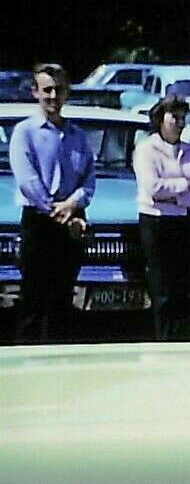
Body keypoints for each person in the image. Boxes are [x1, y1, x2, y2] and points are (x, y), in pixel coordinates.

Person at [9, 63, 95, 343]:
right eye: (47, 90)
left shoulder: (78, 136)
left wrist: (74, 205)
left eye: (59, 90)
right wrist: (57, 212)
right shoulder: (25, 132)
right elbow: (28, 181)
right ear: (35, 92)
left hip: (71, 226)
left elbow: (88, 179)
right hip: (38, 222)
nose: (53, 96)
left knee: (62, 300)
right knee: (33, 298)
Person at [134, 95, 190, 340]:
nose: (179, 123)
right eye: (174, 117)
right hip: (157, 223)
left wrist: (178, 198)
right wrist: (185, 183)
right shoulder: (147, 149)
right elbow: (153, 187)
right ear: (160, 119)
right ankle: (163, 340)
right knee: (162, 289)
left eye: (182, 118)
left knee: (183, 287)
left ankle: (182, 340)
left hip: (186, 221)